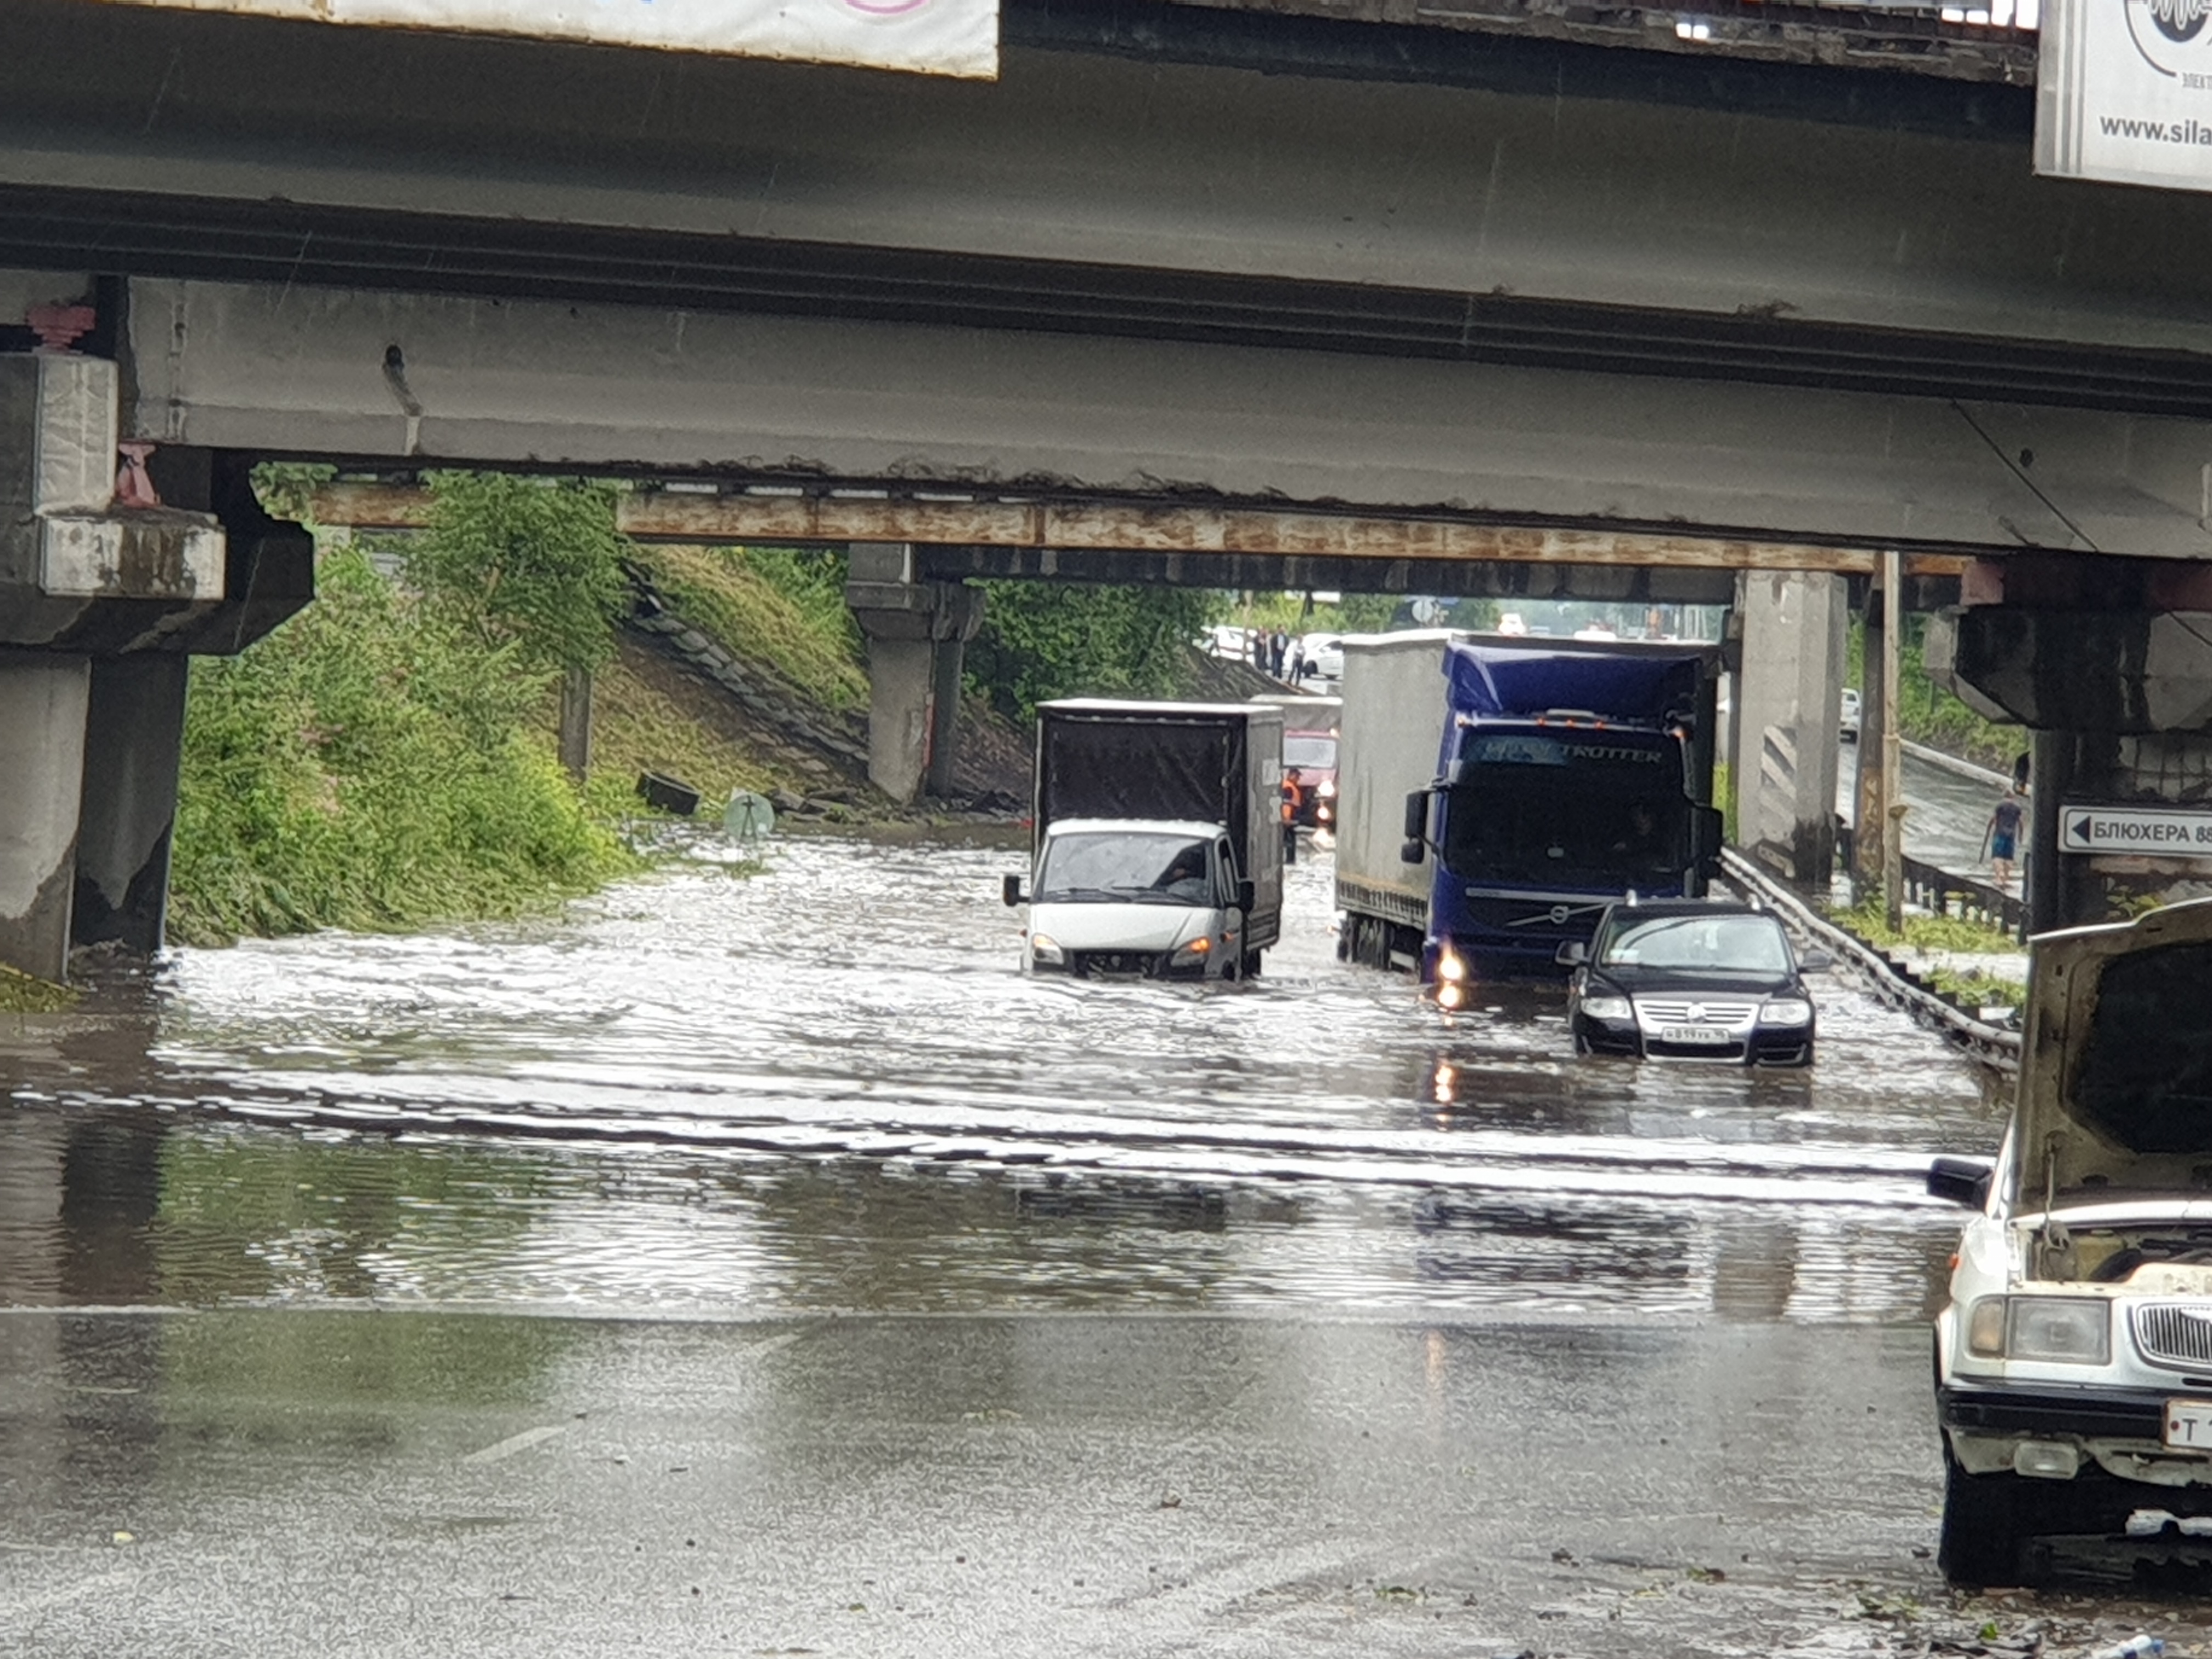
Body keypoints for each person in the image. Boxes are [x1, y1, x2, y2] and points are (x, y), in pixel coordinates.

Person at [1983, 786, 2025, 888]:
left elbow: (1993, 819)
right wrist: (2020, 836)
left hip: (2000, 834)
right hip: (2011, 835)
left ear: (2004, 795)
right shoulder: (2017, 808)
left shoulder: (2000, 805)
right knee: (2008, 857)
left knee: (1997, 856)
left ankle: (1999, 876)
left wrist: (1988, 830)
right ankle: (2005, 878)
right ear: (2013, 797)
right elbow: (2021, 823)